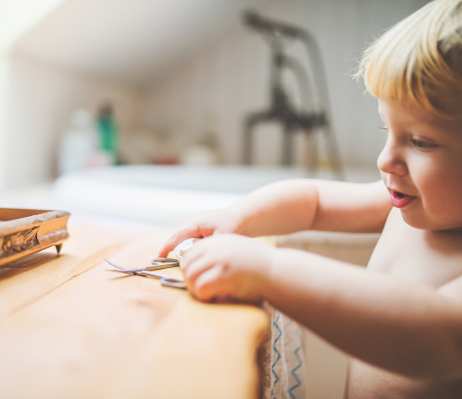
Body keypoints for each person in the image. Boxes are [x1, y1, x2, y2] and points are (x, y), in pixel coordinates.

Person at [158, 0, 462, 397]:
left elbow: (437, 337)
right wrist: (237, 219)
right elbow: (314, 201)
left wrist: (268, 269)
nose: (385, 159)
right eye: (385, 128)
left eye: (419, 141)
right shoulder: (401, 205)